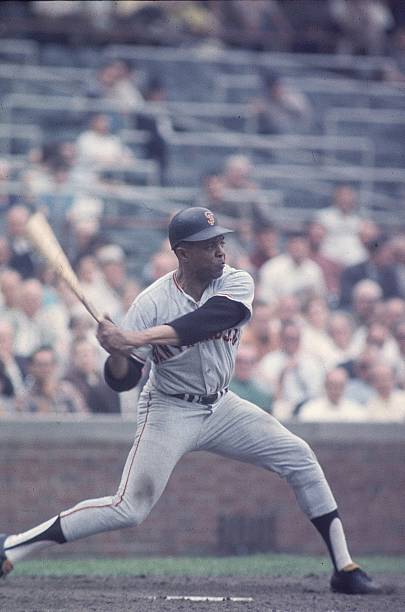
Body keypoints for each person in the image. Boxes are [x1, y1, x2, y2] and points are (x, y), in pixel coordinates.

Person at [0, 207, 380, 595]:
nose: (220, 251)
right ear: (183, 253)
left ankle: (344, 568)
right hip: (169, 409)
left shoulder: (235, 282)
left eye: (221, 241)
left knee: (299, 456)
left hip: (222, 406)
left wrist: (135, 338)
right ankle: (12, 546)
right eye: (209, 244)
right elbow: (124, 380)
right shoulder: (150, 303)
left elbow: (211, 320)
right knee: (130, 507)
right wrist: (116, 352)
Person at [298, 368, 366, 422]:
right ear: (325, 385)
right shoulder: (310, 410)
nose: (336, 390)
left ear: (345, 387)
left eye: (340, 386)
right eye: (332, 385)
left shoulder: (356, 411)